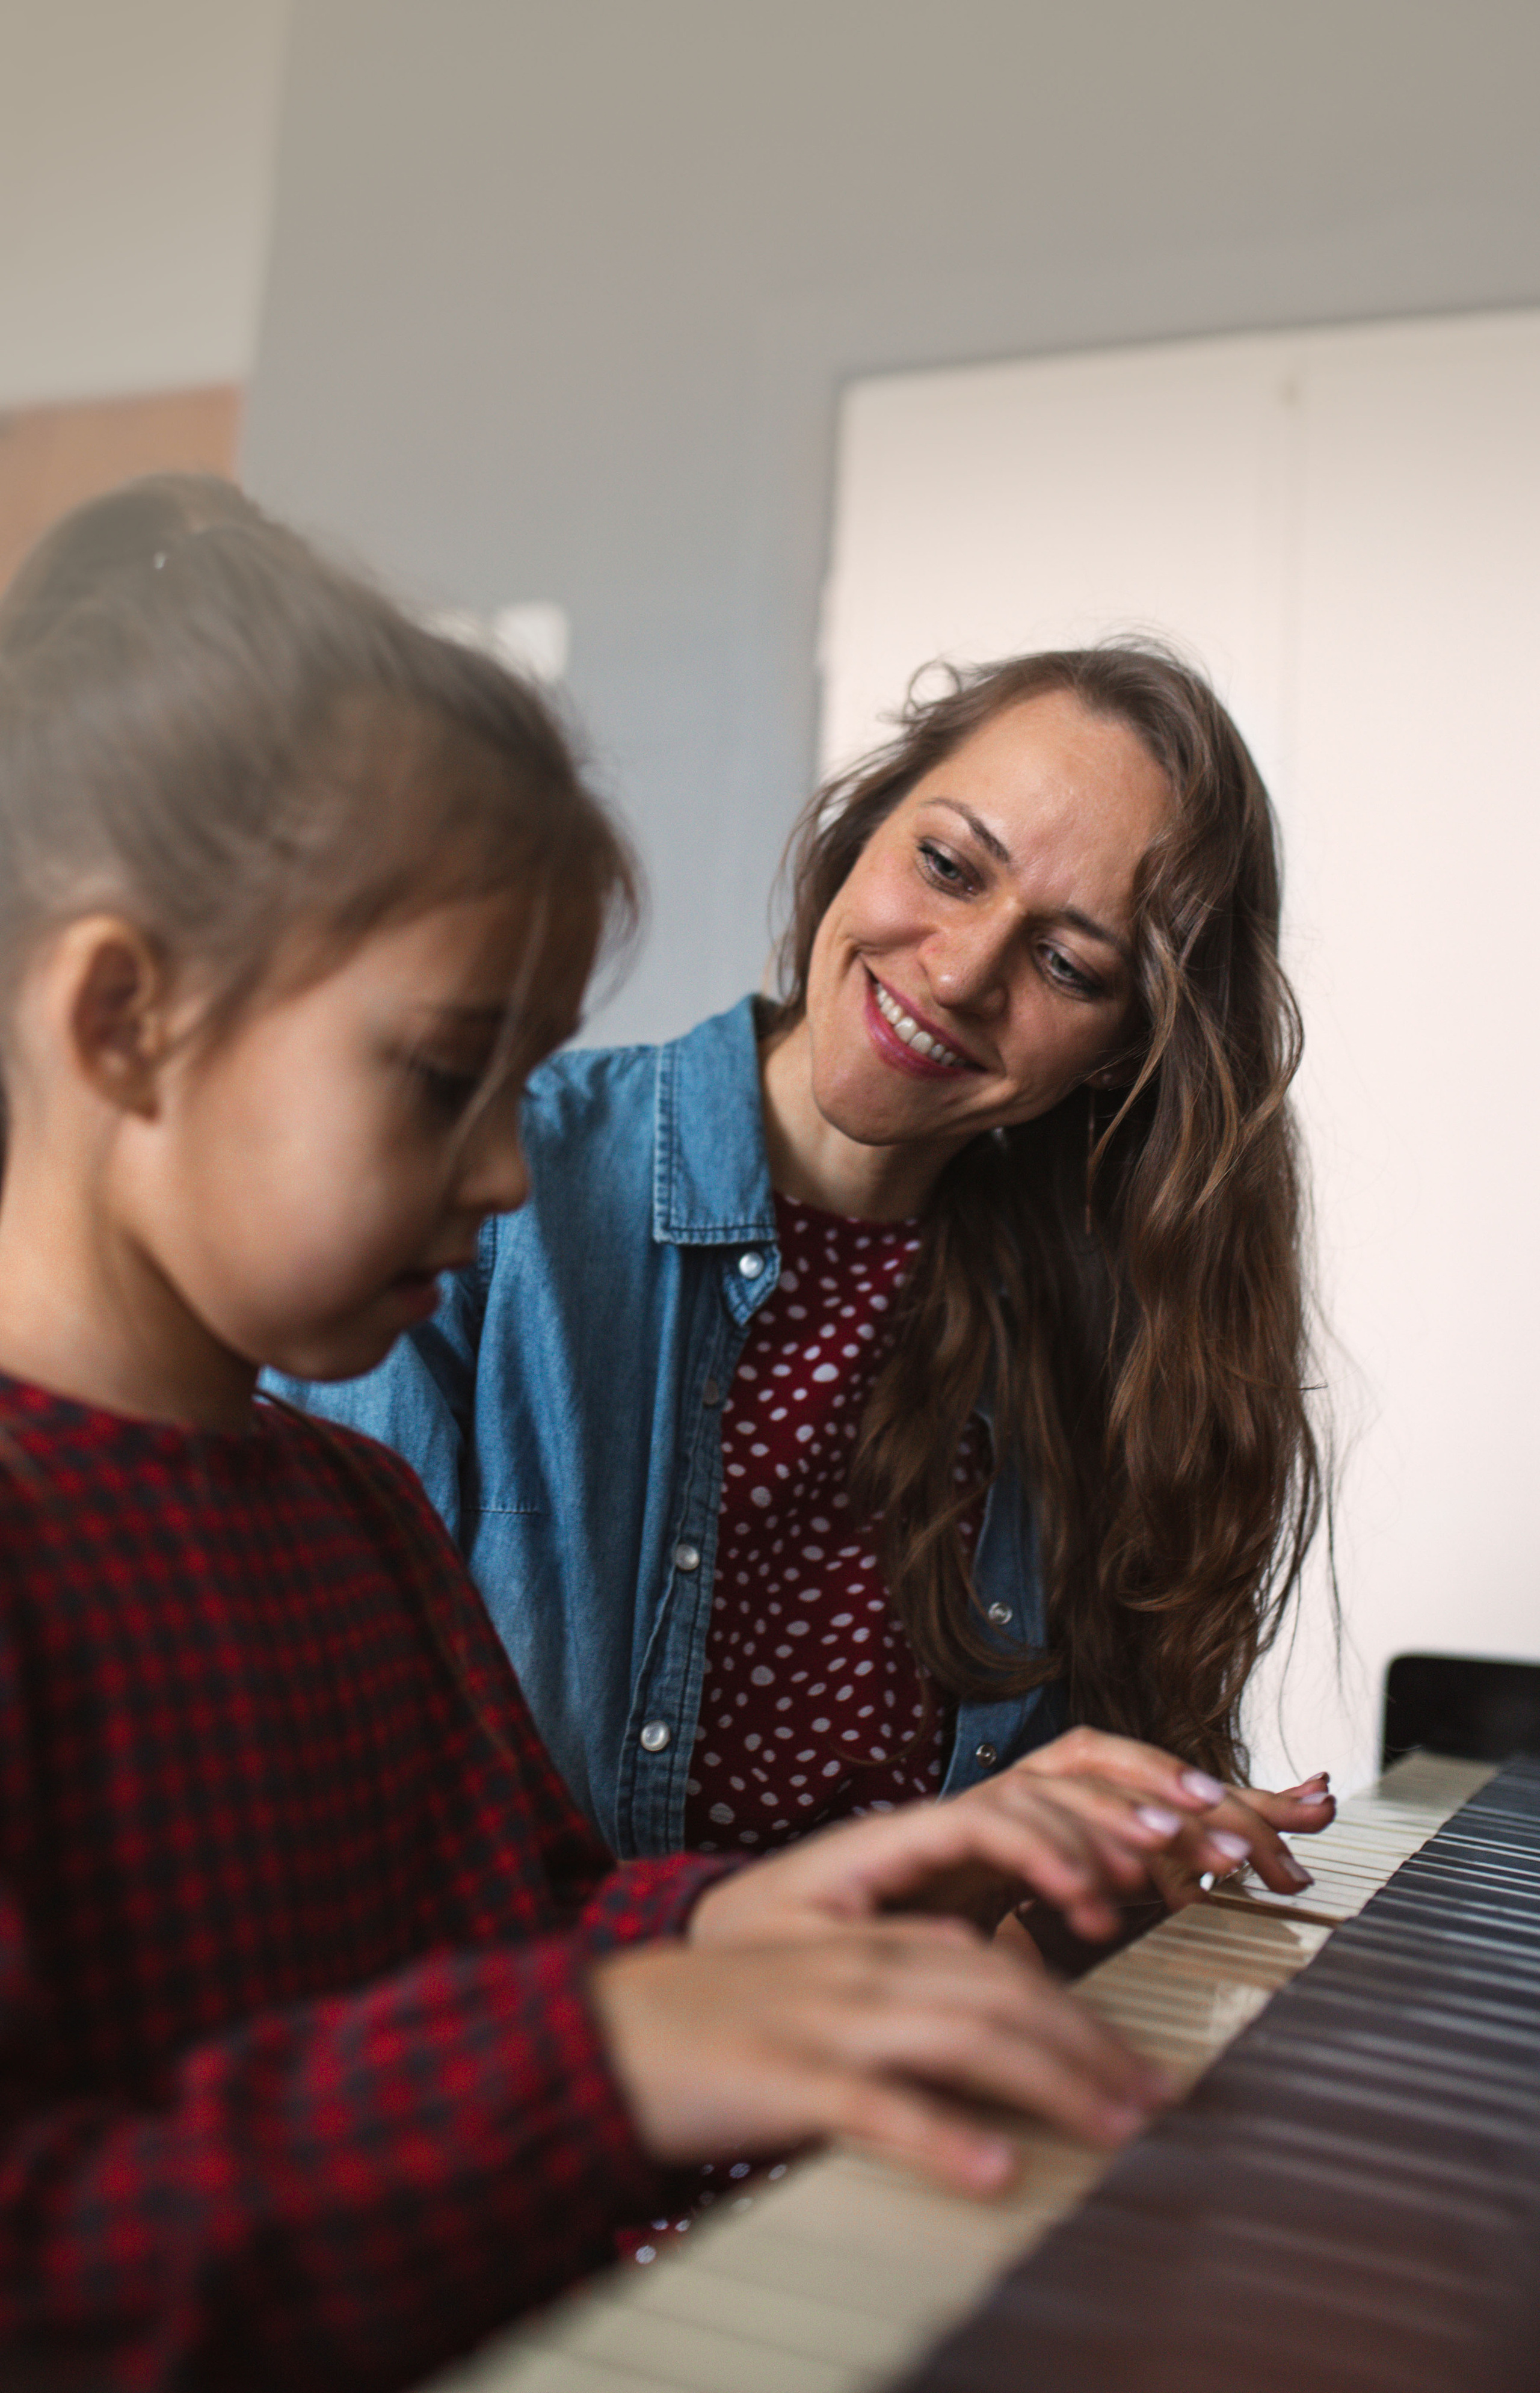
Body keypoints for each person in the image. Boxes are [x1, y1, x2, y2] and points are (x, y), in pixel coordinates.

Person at [0, 476, 1206, 2393]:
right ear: (127, 1018)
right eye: (438, 1076)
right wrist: (609, 2057)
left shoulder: (352, 1519)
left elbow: (524, 1912)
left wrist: (767, 1910)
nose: (504, 1171)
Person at [283, 642, 1337, 1894]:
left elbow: (1029, 1911)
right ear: (862, 829)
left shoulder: (1105, 1329)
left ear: (1119, 1055)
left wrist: (1105, 1875)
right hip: (563, 2062)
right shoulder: (482, 1196)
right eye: (946, 865)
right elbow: (324, 1831)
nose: (956, 973)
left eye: (1067, 965)